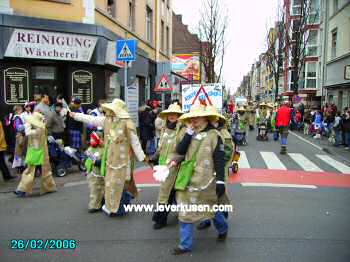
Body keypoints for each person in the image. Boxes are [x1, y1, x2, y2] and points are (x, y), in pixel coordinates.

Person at [69, 99, 147, 217]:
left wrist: (143, 157)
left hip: (123, 160)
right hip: (110, 159)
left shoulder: (127, 123)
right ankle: (113, 207)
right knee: (111, 183)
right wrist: (76, 115)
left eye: (112, 109)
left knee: (122, 184)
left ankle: (120, 208)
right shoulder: (107, 121)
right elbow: (92, 119)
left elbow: (135, 142)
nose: (109, 112)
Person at [171, 105, 228, 255]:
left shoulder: (215, 135)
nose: (194, 120)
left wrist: (221, 181)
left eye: (197, 117)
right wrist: (189, 133)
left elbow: (219, 160)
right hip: (188, 179)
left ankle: (223, 228)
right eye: (192, 117)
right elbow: (180, 150)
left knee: (211, 209)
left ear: (206, 118)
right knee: (185, 211)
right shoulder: (189, 132)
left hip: (206, 181)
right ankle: (185, 245)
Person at [197, 106, 234, 231]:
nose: (211, 122)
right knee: (203, 195)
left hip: (219, 170)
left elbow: (227, 153)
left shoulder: (224, 134)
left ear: (218, 120)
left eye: (213, 119)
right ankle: (205, 219)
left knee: (220, 195)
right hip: (204, 170)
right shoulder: (203, 132)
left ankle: (223, 215)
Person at [151, 103, 185, 229]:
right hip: (163, 166)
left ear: (179, 116)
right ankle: (178, 212)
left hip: (175, 166)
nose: (172, 116)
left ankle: (161, 218)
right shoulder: (164, 128)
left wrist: (176, 160)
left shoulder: (182, 130)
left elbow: (184, 150)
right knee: (170, 192)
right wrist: (154, 156)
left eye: (175, 114)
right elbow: (161, 147)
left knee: (167, 192)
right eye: (170, 114)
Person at [14, 112, 57, 197]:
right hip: (38, 153)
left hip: (38, 153)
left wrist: (26, 125)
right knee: (42, 171)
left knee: (33, 172)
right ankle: (22, 190)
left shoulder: (38, 129)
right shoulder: (40, 127)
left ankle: (22, 190)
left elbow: (28, 132)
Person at [84, 131, 105, 213]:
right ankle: (95, 205)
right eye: (90, 139)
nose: (91, 141)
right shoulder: (90, 149)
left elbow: (105, 161)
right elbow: (87, 160)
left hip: (100, 173)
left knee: (101, 189)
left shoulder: (103, 150)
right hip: (92, 173)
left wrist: (98, 162)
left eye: (93, 139)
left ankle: (98, 203)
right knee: (94, 189)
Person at [12, 105, 26, 174]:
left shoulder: (16, 118)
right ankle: (20, 167)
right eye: (21, 110)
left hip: (19, 135)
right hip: (20, 135)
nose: (22, 111)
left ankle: (20, 167)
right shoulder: (17, 118)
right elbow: (18, 128)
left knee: (19, 151)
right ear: (17, 111)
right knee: (19, 151)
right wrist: (26, 125)